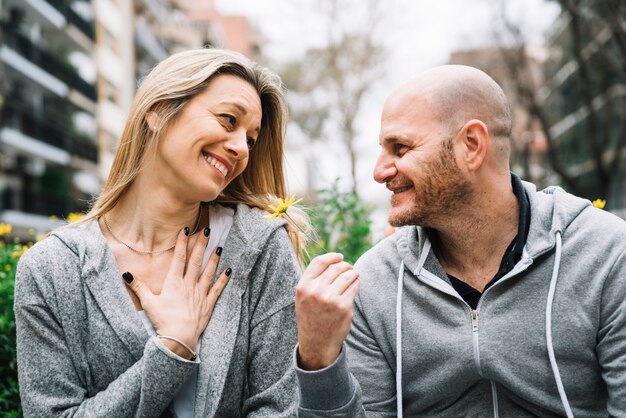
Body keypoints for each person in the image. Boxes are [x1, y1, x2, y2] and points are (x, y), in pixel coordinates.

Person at [294, 65, 626, 416]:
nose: (379, 171)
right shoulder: (375, 281)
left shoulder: (605, 254)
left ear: (471, 146)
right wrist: (318, 361)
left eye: (400, 148)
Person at [15, 48, 307, 417]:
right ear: (159, 109)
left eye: (250, 139)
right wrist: (171, 350)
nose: (240, 149)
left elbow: (281, 408)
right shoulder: (50, 270)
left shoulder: (260, 247)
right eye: (228, 120)